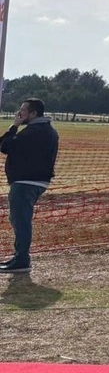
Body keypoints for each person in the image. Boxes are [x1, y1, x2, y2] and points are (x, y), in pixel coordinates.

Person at [0, 98, 59, 274]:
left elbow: (4, 146)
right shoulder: (47, 130)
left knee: (21, 221)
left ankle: (22, 260)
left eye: (23, 110)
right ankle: (19, 257)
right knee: (19, 220)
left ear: (33, 113)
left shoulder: (33, 132)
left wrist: (14, 126)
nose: (19, 113)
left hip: (26, 182)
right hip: (35, 181)